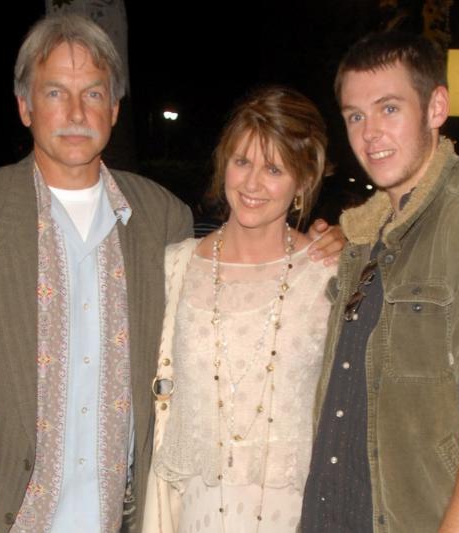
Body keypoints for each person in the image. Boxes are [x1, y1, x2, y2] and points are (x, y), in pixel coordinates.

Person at [0, 13, 344, 533]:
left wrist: (327, 239)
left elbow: (240, 272)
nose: (76, 113)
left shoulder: (161, 217)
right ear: (25, 107)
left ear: (115, 110)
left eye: (93, 93)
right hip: (7, 511)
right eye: (56, 93)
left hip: (120, 514)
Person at [301, 31, 459, 532]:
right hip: (348, 512)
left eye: (389, 108)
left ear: (436, 107)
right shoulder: (363, 238)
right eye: (356, 115)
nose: (370, 133)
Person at [143, 86, 334, 533]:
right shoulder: (176, 266)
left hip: (297, 513)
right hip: (197, 509)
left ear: (303, 181)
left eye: (273, 168)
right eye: (242, 161)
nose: (251, 184)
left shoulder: (329, 276)